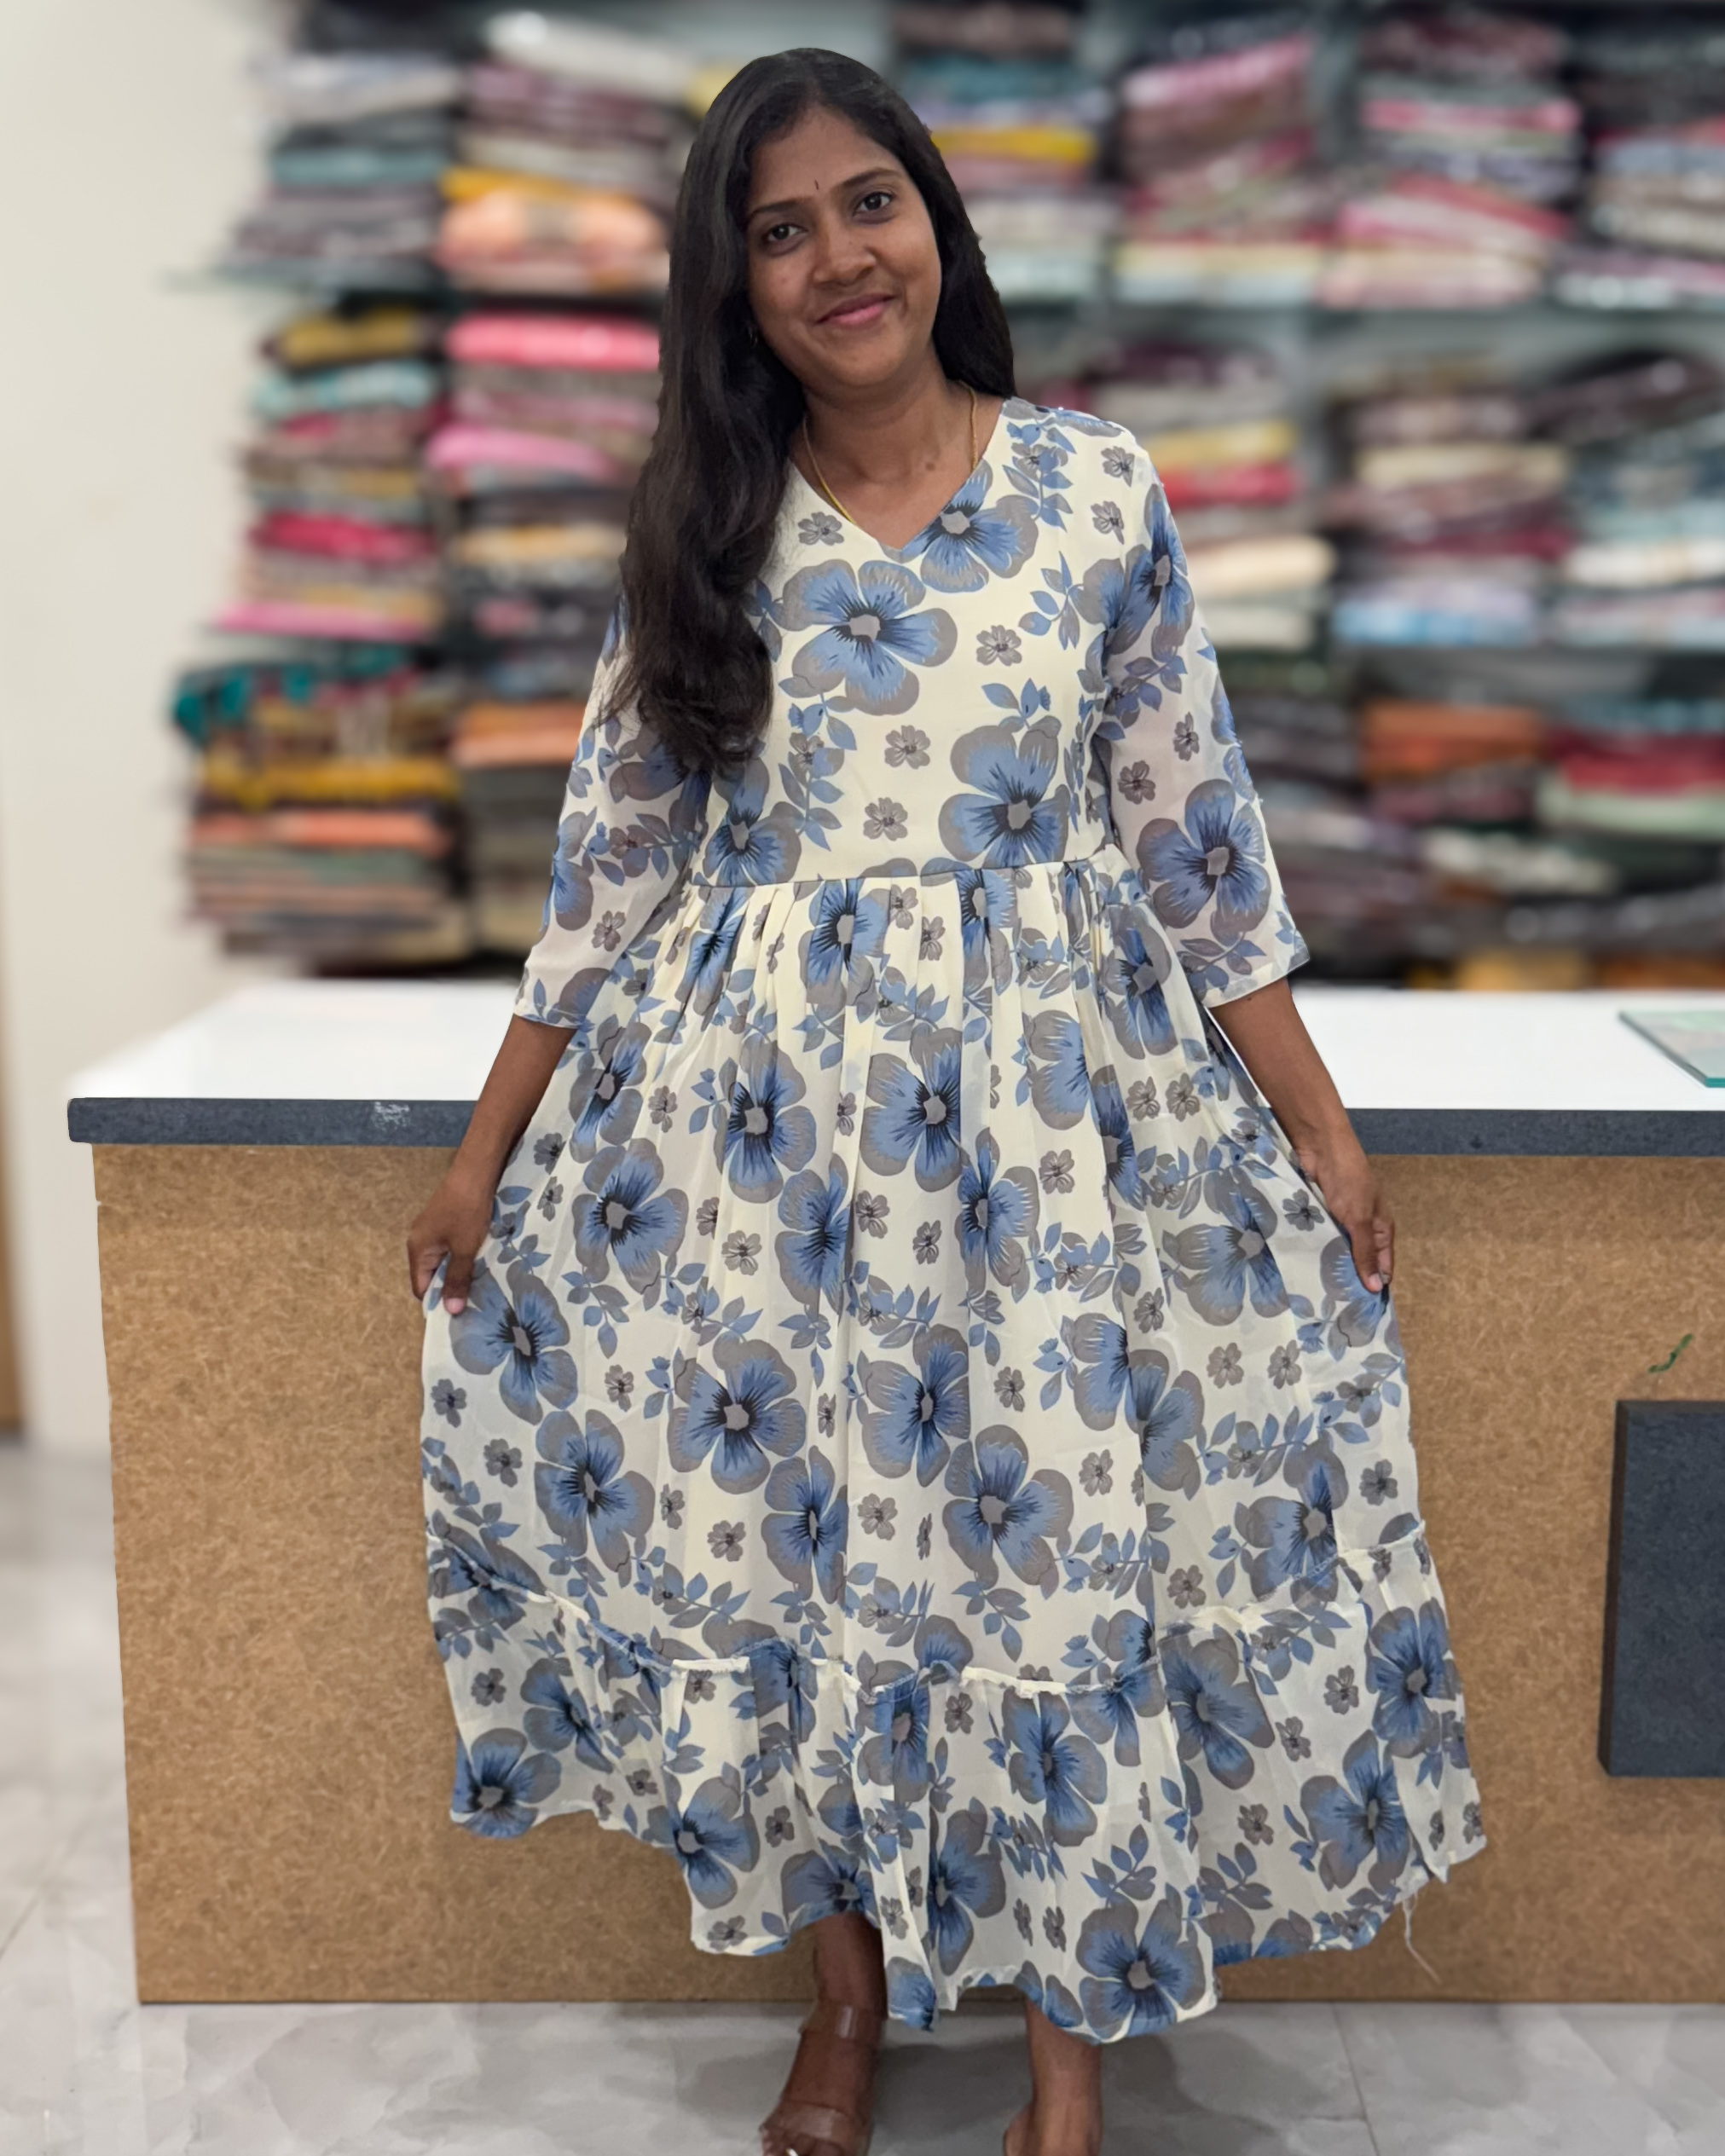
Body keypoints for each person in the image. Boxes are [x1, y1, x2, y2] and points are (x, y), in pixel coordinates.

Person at [408, 48, 1485, 2156]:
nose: (837, 256)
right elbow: (608, 866)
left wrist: (1320, 1122)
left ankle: (1064, 2069)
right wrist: (480, 1155)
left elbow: (1194, 835)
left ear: (935, 220)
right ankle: (847, 1998)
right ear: (734, 285)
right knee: (796, 1563)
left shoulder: (1094, 488)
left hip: (1053, 1146)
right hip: (769, 1159)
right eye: (778, 229)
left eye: (868, 201)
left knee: (1061, 1559)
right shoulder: (703, 532)